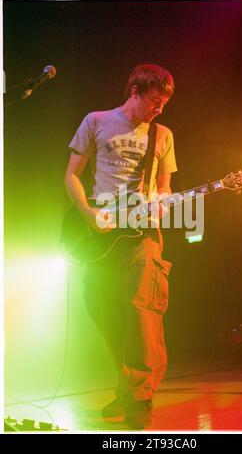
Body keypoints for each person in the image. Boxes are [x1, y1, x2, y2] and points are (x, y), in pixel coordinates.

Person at [64, 64, 177, 429]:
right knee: (102, 310)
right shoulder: (96, 120)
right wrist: (87, 213)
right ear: (135, 92)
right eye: (155, 101)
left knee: (143, 310)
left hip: (142, 234)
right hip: (101, 233)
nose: (159, 108)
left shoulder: (163, 135)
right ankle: (127, 386)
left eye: (164, 103)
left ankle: (141, 398)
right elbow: (71, 176)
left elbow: (165, 188)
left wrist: (163, 201)